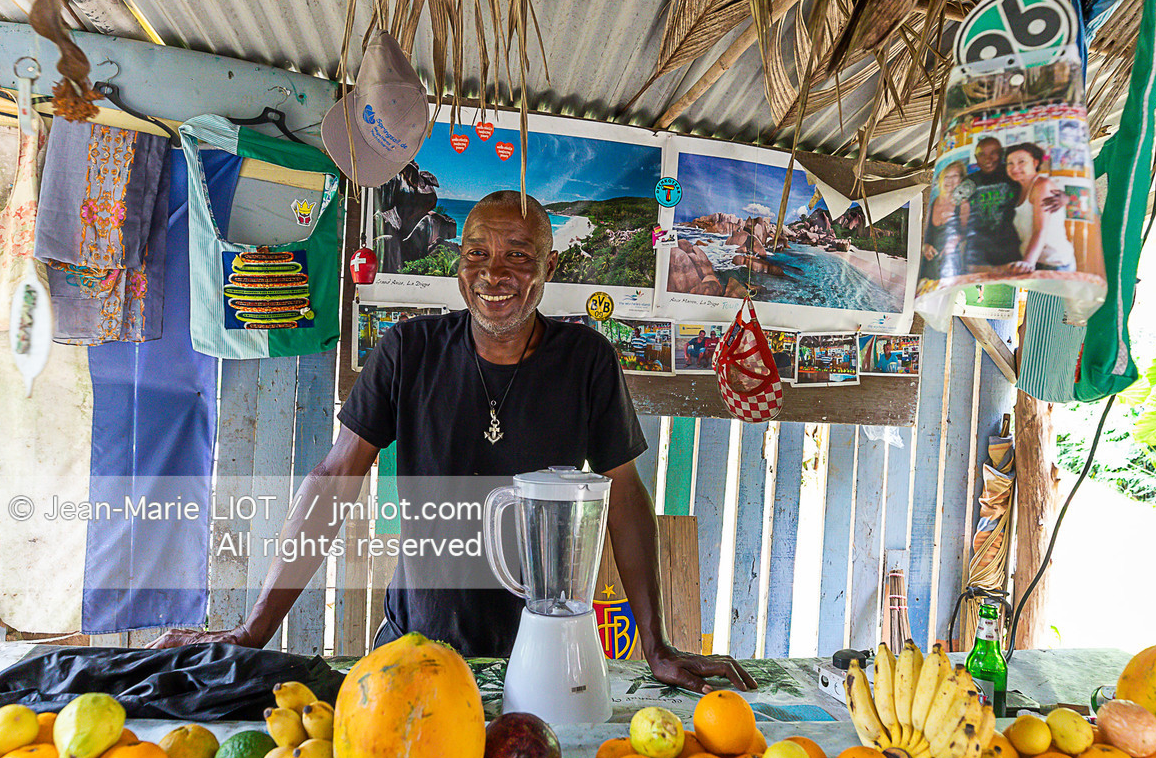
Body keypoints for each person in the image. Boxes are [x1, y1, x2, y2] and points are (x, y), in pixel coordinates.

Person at [155, 190, 754, 694]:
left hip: (541, 658)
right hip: (414, 645)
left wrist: (656, 645)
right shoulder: (407, 351)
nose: (494, 273)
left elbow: (623, 496)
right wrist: (253, 631)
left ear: (548, 267)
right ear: (458, 262)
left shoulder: (586, 361)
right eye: (478, 253)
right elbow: (335, 479)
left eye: (518, 255)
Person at [1003, 142, 1073, 273]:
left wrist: (1027, 263)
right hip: (1034, 261)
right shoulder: (1017, 189)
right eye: (1010, 163)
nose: (1015, 167)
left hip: (1054, 263)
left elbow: (1040, 230)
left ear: (1035, 163)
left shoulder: (1042, 186)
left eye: (1021, 161)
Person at [954, 136, 1022, 268]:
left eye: (993, 153)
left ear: (1001, 154)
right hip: (978, 251)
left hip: (1010, 247)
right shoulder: (970, 181)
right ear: (976, 158)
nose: (988, 159)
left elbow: (1036, 188)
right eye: (982, 155)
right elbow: (956, 210)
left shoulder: (1013, 175)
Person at [922, 161, 970, 282]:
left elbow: (967, 234)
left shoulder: (963, 205)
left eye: (955, 176)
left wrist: (954, 241)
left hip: (950, 265)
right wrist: (925, 246)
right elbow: (925, 234)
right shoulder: (933, 202)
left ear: (961, 180)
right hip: (929, 264)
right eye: (947, 176)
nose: (950, 180)